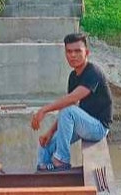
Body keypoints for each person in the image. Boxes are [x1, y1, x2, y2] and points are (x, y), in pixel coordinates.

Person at [31, 32, 113, 171]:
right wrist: (49, 133)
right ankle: (44, 171)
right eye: (69, 51)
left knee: (67, 110)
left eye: (77, 51)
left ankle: (62, 160)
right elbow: (69, 107)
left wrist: (44, 110)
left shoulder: (93, 72)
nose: (73, 55)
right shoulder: (73, 76)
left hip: (98, 128)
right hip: (82, 124)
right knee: (45, 145)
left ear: (87, 52)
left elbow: (72, 100)